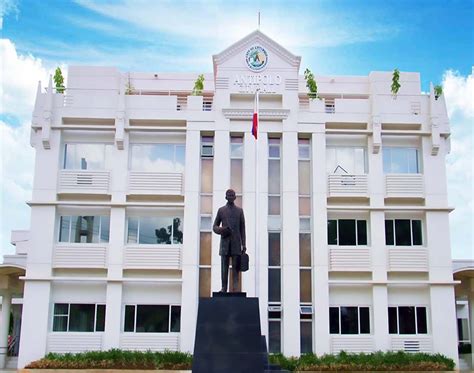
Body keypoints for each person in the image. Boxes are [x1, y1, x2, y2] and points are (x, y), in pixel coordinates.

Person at [213, 189, 246, 292]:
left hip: (236, 243)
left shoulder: (239, 211)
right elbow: (214, 226)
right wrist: (221, 230)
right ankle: (224, 287)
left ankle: (235, 287)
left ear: (235, 197)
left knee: (236, 267)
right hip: (225, 243)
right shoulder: (221, 210)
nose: (231, 197)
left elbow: (242, 229)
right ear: (226, 197)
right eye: (229, 195)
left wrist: (244, 244)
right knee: (224, 267)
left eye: (232, 195)